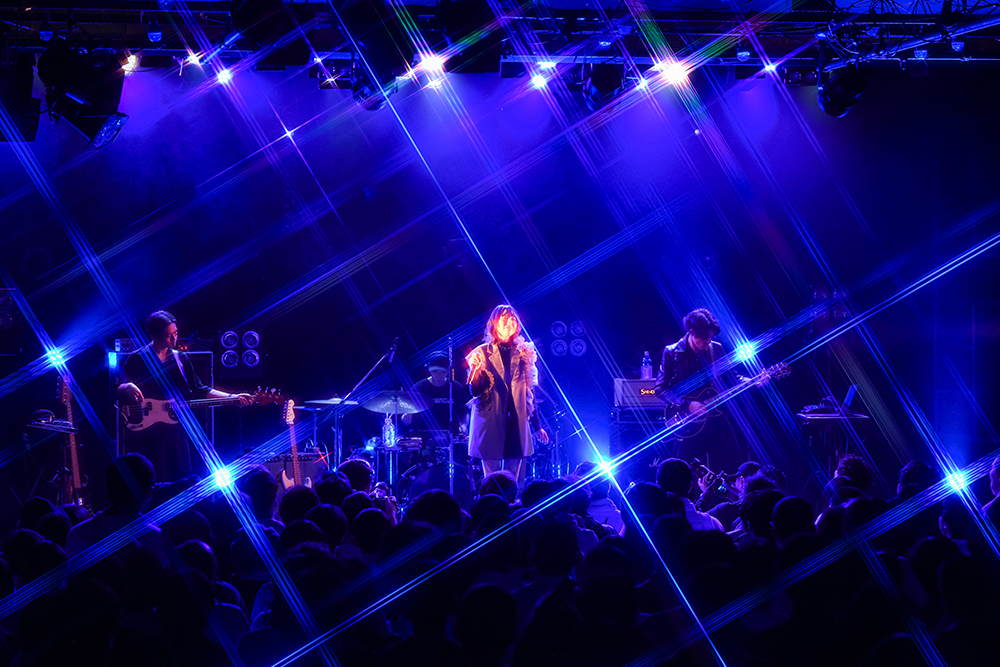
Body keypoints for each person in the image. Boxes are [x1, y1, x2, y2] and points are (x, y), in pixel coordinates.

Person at [117, 310, 252, 482]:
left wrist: (232, 397)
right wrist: (127, 386)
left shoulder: (180, 359)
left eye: (175, 333)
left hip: (175, 431)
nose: (174, 338)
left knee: (181, 477)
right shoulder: (137, 358)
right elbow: (118, 388)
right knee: (150, 479)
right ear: (155, 335)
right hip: (146, 434)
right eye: (169, 335)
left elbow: (201, 389)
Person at [653, 307, 742, 474]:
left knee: (730, 465)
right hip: (687, 422)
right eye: (704, 338)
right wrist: (687, 404)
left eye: (711, 337)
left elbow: (732, 377)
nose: (708, 341)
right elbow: (660, 389)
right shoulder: (672, 352)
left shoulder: (716, 349)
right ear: (692, 332)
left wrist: (753, 381)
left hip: (714, 416)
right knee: (682, 473)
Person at [466, 305, 548, 484]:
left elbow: (529, 392)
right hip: (491, 419)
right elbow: (474, 391)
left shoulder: (524, 352)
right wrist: (476, 372)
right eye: (504, 317)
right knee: (492, 478)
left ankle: (512, 501)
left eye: (513, 318)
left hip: (516, 421)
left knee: (513, 479)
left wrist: (537, 426)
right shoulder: (481, 352)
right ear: (494, 323)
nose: (509, 321)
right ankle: (491, 500)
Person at [403, 351, 472, 463]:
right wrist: (406, 418)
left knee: (457, 464)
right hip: (425, 439)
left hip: (451, 438)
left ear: (448, 372)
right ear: (429, 370)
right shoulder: (419, 388)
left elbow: (464, 412)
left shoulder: (456, 388)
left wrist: (464, 425)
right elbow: (407, 415)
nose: (439, 375)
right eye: (435, 372)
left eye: (442, 372)